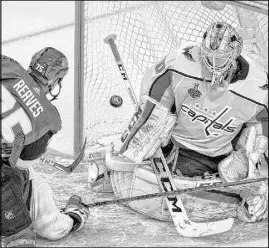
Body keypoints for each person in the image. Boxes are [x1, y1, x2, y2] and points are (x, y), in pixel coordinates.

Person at [102, 22, 268, 223]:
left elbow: (263, 127)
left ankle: (242, 180)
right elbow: (154, 94)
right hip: (178, 142)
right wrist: (143, 131)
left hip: (219, 150)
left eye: (221, 58)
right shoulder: (181, 62)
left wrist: (255, 165)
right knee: (149, 132)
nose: (214, 65)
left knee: (254, 147)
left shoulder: (259, 85)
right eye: (208, 56)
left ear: (235, 55)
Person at [1, 47, 89, 247]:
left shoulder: (8, 64)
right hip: (8, 176)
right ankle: (73, 218)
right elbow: (21, 164)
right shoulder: (50, 118)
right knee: (24, 179)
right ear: (56, 80)